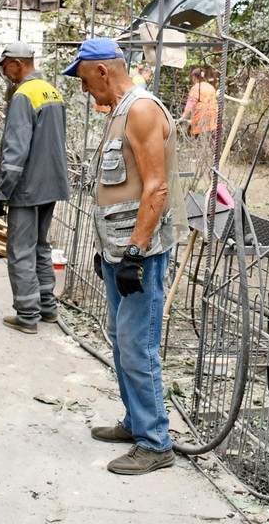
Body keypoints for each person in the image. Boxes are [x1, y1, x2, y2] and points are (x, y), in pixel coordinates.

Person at [65, 37, 184, 476]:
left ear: (102, 70)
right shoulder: (118, 111)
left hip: (141, 252)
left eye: (83, 80)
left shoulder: (141, 109)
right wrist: (111, 251)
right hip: (118, 250)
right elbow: (121, 188)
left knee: (138, 346)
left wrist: (134, 252)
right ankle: (137, 423)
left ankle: (155, 443)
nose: (83, 90)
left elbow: (156, 187)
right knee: (121, 339)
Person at [0, 42, 71, 334]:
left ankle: (26, 315)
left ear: (16, 63)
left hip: (27, 187)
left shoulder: (24, 95)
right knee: (40, 246)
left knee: (20, 249)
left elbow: (16, 150)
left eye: (6, 67)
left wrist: (2, 192)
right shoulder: (52, 92)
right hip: (52, 184)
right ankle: (48, 308)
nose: (6, 74)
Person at [182, 66, 218, 136]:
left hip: (202, 121)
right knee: (213, 143)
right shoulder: (210, 87)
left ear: (194, 77)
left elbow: (190, 105)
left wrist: (182, 117)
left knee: (200, 143)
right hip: (215, 121)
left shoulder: (196, 88)